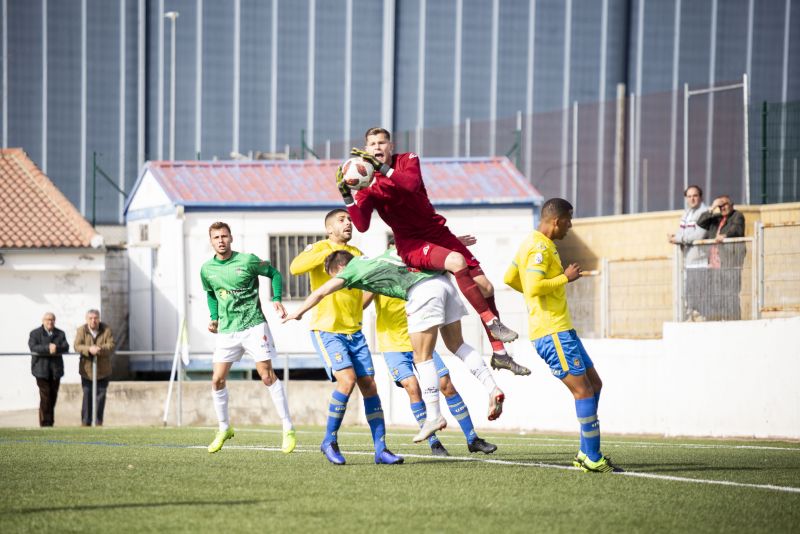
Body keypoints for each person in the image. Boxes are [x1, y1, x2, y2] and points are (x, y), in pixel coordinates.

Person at [338, 127, 530, 377]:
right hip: (412, 244)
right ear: (365, 150)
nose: (377, 147)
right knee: (456, 261)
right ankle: (493, 324)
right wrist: (347, 196)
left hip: (438, 233)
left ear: (391, 146)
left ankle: (500, 354)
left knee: (486, 288)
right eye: (372, 144)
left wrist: (383, 168)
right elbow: (361, 225)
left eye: (382, 142)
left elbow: (411, 184)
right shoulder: (367, 185)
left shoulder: (408, 160)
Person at [284, 245, 506, 446]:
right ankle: (487, 390)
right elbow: (431, 251)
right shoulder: (387, 260)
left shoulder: (354, 270)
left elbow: (321, 291)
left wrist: (298, 312)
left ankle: (451, 426)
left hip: (421, 311)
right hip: (428, 304)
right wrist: (455, 244)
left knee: (434, 371)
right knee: (452, 349)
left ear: (341, 267)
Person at [504, 198, 623, 473]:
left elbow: (510, 278)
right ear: (556, 220)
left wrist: (537, 298)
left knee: (594, 384)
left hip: (562, 329)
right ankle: (592, 457)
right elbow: (533, 286)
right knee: (583, 391)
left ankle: (586, 453)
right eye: (568, 221)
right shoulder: (538, 247)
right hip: (552, 331)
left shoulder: (534, 243)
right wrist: (565, 278)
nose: (570, 227)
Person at [289, 209, 404, 465]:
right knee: (347, 380)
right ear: (329, 228)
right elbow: (295, 267)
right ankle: (329, 440)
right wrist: (326, 250)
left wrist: (366, 297)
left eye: (350, 220)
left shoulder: (357, 256)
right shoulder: (321, 248)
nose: (348, 223)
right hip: (327, 329)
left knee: (370, 386)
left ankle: (381, 449)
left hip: (355, 332)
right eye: (342, 220)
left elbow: (368, 288)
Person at [368, 285, 499, 457]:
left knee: (446, 385)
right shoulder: (380, 275)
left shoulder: (414, 273)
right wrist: (370, 283)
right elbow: (362, 303)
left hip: (420, 340)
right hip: (393, 346)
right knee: (413, 388)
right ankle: (434, 443)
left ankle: (472, 439)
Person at [200, 221, 296, 454]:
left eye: (224, 236)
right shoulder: (207, 269)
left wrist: (276, 297)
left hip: (254, 326)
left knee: (266, 376)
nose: (221, 241)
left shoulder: (247, 261)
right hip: (227, 331)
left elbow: (273, 273)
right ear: (211, 241)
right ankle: (224, 428)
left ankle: (288, 427)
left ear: (231, 238)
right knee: (217, 380)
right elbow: (211, 294)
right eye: (216, 238)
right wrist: (214, 317)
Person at [696, 195, 746, 320]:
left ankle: (734, 322)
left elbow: (737, 230)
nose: (722, 207)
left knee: (730, 295)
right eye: (720, 205)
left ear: (732, 204)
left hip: (729, 262)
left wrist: (725, 235)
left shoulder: (737, 215)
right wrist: (712, 208)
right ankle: (718, 321)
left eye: (725, 204)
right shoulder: (716, 218)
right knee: (715, 295)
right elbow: (700, 222)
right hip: (714, 264)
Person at [668, 185, 709, 321]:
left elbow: (699, 235)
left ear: (700, 197)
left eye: (695, 196)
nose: (692, 199)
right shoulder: (687, 213)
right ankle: (689, 322)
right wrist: (676, 237)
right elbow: (682, 232)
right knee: (687, 296)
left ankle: (702, 323)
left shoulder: (704, 212)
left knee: (699, 297)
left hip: (699, 262)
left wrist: (679, 239)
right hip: (687, 262)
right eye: (689, 196)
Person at [74, 309, 115, 427]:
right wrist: (89, 349)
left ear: (99, 319)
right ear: (86, 319)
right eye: (91, 318)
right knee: (87, 396)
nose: (93, 321)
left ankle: (98, 422)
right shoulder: (81, 330)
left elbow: (111, 345)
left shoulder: (106, 329)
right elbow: (77, 346)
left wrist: (99, 349)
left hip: (103, 370)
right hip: (86, 370)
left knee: (100, 397)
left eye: (96, 318)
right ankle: (85, 422)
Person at [28, 312, 69, 427]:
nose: (50, 322)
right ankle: (46, 423)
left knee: (53, 396)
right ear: (43, 320)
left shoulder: (60, 333)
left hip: (56, 371)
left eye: (52, 320)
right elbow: (33, 347)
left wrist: (57, 348)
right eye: (47, 319)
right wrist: (47, 348)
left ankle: (49, 421)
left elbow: (66, 347)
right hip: (41, 370)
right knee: (45, 396)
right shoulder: (35, 333)